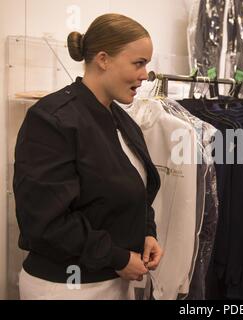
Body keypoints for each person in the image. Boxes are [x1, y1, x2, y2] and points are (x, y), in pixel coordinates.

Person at [14, 13, 162, 300]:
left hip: (112, 280)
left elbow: (134, 192)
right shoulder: (52, 119)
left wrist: (146, 232)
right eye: (138, 63)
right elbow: (45, 221)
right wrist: (117, 257)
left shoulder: (121, 119)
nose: (145, 75)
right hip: (67, 287)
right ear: (103, 59)